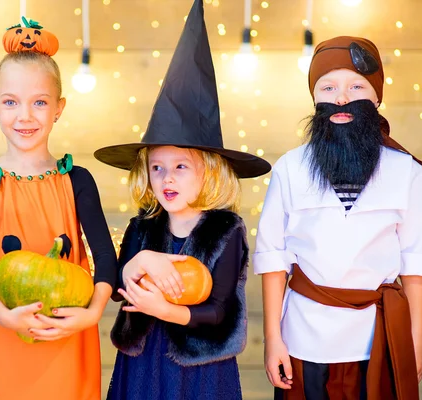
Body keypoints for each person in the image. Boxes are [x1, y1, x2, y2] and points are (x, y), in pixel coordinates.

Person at [93, 1, 271, 399]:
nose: (166, 178)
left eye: (180, 167)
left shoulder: (225, 230)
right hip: (141, 362)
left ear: (208, 171)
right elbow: (121, 286)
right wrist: (140, 261)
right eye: (157, 168)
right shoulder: (143, 226)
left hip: (199, 371)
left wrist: (166, 311)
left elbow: (221, 310)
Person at [255, 36, 422, 400]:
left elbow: (416, 264)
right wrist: (273, 339)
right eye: (329, 87)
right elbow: (273, 259)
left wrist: (415, 342)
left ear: (376, 98)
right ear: (315, 99)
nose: (341, 97)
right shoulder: (289, 169)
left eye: (357, 86)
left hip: (378, 337)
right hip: (302, 335)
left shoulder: (408, 172)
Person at [0, 18, 118, 400]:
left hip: (66, 331)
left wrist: (93, 312)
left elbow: (105, 258)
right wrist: (2, 313)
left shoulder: (77, 180)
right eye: (11, 102)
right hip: (1, 328)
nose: (25, 116)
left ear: (59, 108)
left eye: (40, 102)